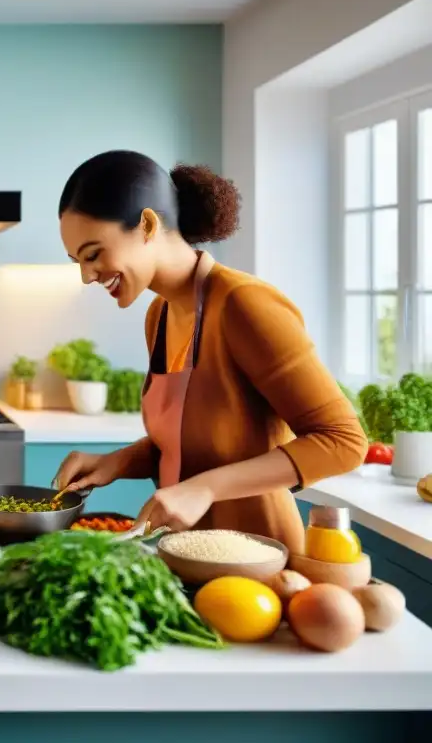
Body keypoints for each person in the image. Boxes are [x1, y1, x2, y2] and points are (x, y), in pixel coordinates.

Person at [52, 150, 367, 554]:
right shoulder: (160, 314)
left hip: (257, 562)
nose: (86, 275)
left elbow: (343, 441)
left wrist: (204, 489)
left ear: (147, 224)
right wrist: (118, 462)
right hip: (184, 554)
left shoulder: (245, 304)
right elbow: (196, 442)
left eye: (93, 254)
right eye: (77, 260)